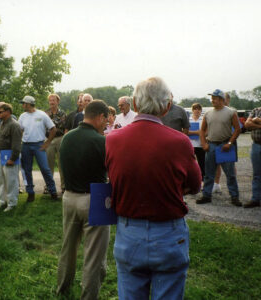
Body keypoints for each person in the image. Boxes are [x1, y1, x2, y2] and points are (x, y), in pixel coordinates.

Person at [105, 77, 201, 299]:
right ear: (167, 106)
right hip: (169, 232)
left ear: (135, 105)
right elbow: (195, 186)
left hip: (129, 231)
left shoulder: (113, 140)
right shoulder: (180, 141)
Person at [57, 100, 110, 299]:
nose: (107, 123)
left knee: (68, 248)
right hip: (95, 197)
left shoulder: (67, 137)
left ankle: (62, 288)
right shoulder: (101, 141)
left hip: (69, 197)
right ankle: (88, 296)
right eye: (106, 119)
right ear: (100, 116)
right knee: (94, 256)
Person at [197, 89, 242, 206]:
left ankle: (234, 197)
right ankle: (206, 195)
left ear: (221, 99)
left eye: (215, 98)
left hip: (224, 146)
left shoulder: (231, 112)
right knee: (208, 173)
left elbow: (238, 129)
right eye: (212, 98)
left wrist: (230, 143)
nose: (212, 100)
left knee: (230, 174)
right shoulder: (207, 113)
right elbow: (202, 130)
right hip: (211, 145)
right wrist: (204, 144)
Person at [18, 95, 58, 202]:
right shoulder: (22, 116)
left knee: (45, 169)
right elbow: (19, 130)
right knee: (27, 170)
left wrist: (47, 143)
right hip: (26, 145)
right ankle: (30, 192)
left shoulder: (41, 114)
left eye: (24, 103)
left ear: (29, 104)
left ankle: (53, 192)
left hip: (39, 145)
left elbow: (53, 129)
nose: (22, 105)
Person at [0, 103, 22, 212]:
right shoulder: (2, 123)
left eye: (0, 112)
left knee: (11, 181)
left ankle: (12, 204)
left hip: (10, 155)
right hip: (1, 154)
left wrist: (13, 158)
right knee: (1, 181)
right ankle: (2, 202)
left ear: (8, 111)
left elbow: (16, 144)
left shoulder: (14, 125)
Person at [243, 90, 261, 208]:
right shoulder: (256, 110)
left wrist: (257, 120)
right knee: (257, 174)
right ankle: (255, 199)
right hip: (256, 145)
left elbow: (252, 122)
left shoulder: (257, 115)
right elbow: (247, 125)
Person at [44, 94, 66, 194]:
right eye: (50, 100)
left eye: (54, 100)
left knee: (62, 163)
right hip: (48, 140)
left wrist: (50, 125)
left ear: (58, 102)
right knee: (48, 164)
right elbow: (44, 126)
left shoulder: (62, 113)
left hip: (59, 138)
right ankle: (48, 187)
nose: (52, 102)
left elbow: (59, 126)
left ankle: (64, 186)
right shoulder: (45, 113)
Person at [188, 103, 205, 181]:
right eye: (195, 109)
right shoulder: (188, 120)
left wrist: (201, 134)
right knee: (190, 164)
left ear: (201, 110)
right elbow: (185, 131)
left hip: (200, 145)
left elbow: (206, 132)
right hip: (190, 145)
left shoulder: (204, 120)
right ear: (192, 110)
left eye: (198, 109)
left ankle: (202, 181)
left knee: (202, 164)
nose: (197, 111)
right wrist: (196, 132)